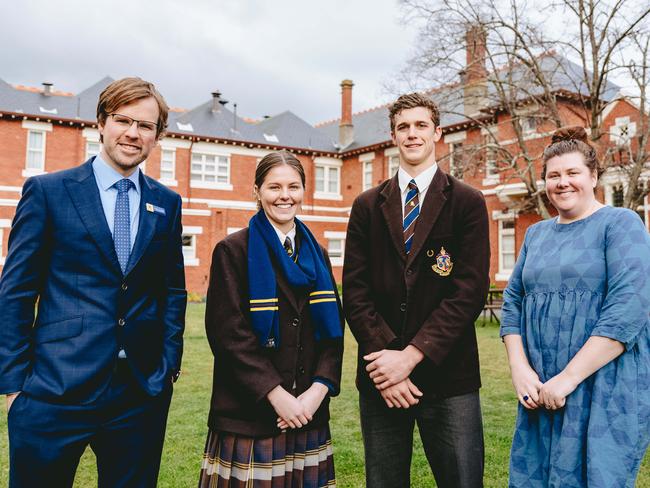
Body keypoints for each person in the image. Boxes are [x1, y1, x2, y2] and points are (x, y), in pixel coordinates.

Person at [0, 77, 186, 487]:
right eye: (123, 120)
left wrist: (167, 365)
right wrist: (15, 387)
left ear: (157, 136)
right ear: (101, 122)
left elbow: (172, 289)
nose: (133, 133)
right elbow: (15, 291)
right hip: (53, 390)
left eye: (146, 126)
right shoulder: (48, 192)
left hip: (138, 394)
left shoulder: (167, 204)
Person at [343, 92, 490, 487]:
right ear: (393, 136)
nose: (412, 134)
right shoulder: (366, 206)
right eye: (403, 127)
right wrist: (388, 363)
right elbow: (355, 293)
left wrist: (410, 357)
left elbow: (469, 290)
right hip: (382, 380)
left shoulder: (467, 202)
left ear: (437, 133)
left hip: (449, 377)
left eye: (421, 125)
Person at [501, 126, 650, 487]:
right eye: (554, 175)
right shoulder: (536, 233)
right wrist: (520, 369)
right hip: (541, 383)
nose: (562, 183)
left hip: (601, 382)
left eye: (572, 173)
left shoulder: (620, 224)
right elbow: (512, 303)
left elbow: (627, 310)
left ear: (593, 176)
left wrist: (568, 379)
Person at [199, 150, 344, 487]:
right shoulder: (233, 251)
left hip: (309, 412)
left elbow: (333, 333)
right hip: (250, 415)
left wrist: (317, 391)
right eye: (274, 187)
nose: (284, 196)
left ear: (304, 191)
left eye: (293, 186)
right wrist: (277, 396)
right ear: (257, 191)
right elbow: (228, 336)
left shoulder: (318, 254)